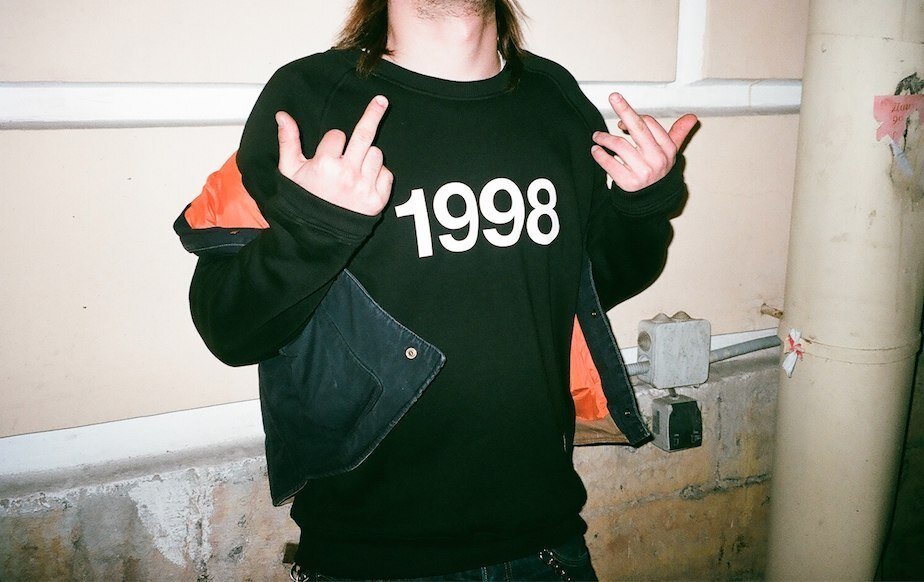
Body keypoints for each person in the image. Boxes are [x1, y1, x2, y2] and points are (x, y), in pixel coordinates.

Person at [175, 0, 696, 579]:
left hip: (547, 543)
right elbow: (229, 329)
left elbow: (593, 283)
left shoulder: (553, 97)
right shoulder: (310, 97)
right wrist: (312, 233)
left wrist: (641, 204)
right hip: (371, 557)